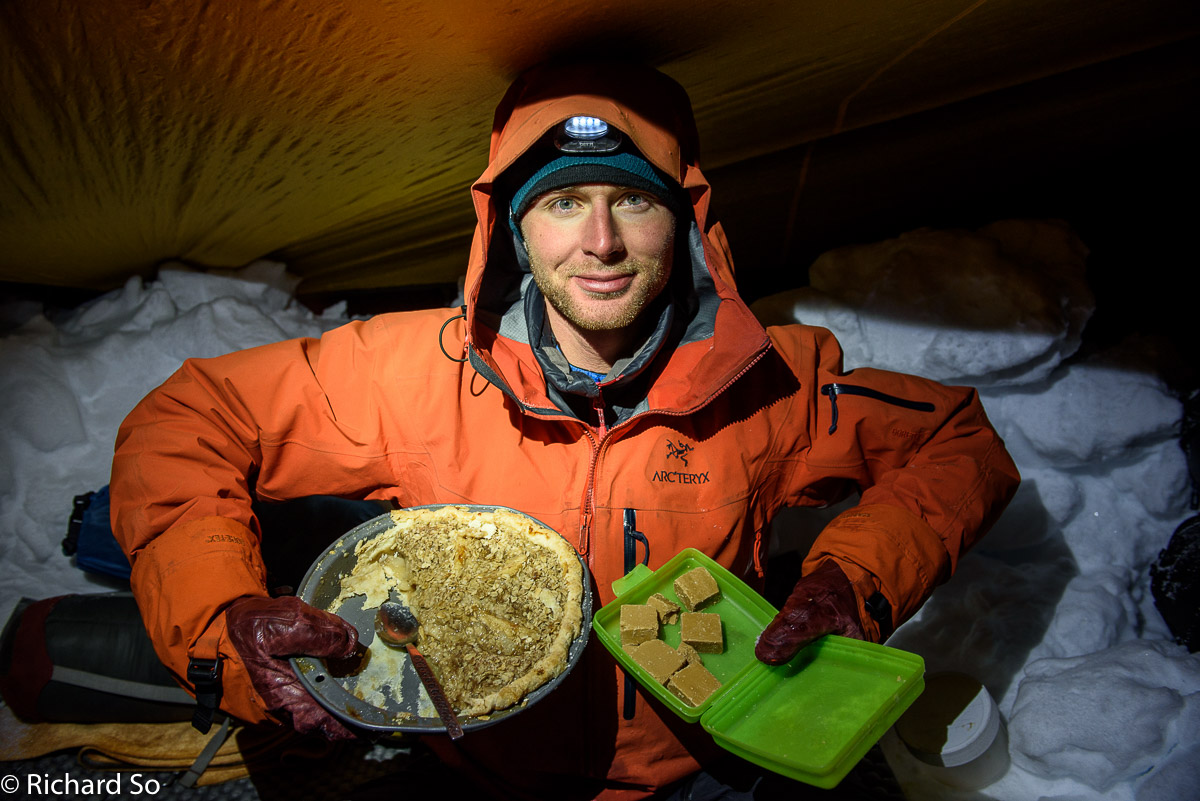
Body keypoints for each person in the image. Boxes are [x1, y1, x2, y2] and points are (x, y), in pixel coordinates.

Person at [109, 59, 1019, 799]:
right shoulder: (413, 372)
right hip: (479, 764)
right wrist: (224, 617)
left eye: (632, 200)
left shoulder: (769, 382)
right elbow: (184, 421)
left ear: (685, 221)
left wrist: (852, 580)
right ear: (515, 230)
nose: (601, 243)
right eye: (562, 203)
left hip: (698, 765)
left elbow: (960, 443)